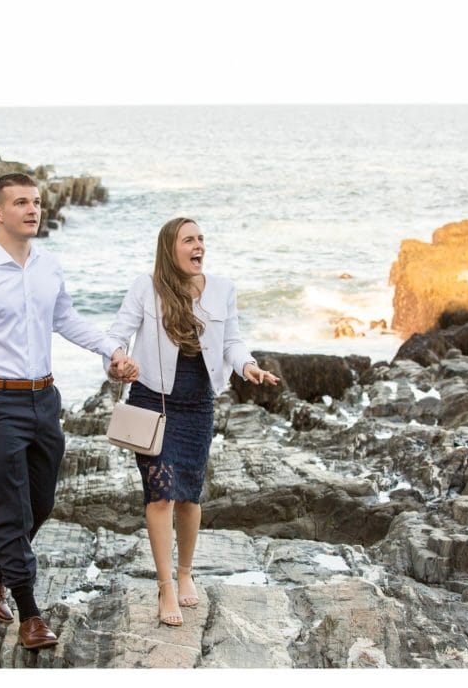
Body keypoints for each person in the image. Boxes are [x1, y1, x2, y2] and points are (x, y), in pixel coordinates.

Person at [0, 172, 138, 649]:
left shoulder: (48, 266)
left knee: (40, 504)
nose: (32, 209)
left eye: (37, 202)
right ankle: (30, 615)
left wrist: (111, 351)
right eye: (21, 202)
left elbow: (65, 319)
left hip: (45, 400)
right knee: (11, 511)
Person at [105, 217, 278, 627]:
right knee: (160, 494)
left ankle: (186, 572)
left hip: (199, 404)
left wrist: (248, 366)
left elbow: (232, 341)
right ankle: (165, 584)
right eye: (189, 240)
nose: (199, 245)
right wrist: (118, 361)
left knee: (189, 496)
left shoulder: (221, 289)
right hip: (152, 401)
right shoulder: (144, 287)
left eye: (202, 238)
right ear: (170, 248)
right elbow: (118, 334)